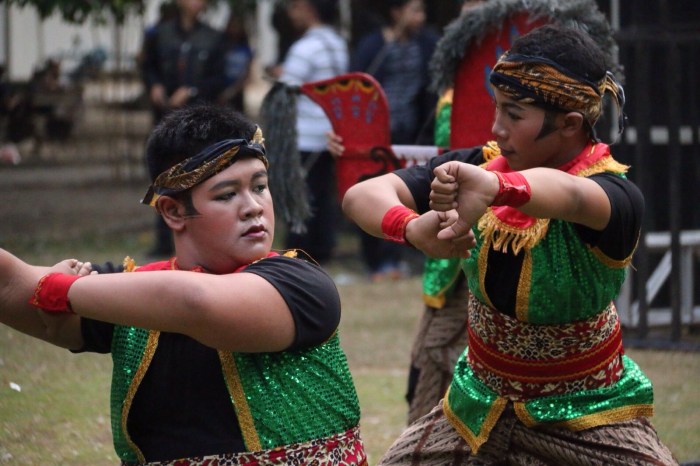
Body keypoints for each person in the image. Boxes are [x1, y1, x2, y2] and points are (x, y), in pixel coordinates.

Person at [343, 24, 678, 465]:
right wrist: (411, 228)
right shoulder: (475, 167)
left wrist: (498, 187)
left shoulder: (614, 196)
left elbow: (571, 195)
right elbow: (361, 196)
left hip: (589, 414)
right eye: (497, 108)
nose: (497, 127)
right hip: (476, 407)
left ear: (570, 123)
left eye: (515, 114)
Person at [0, 104, 367, 465]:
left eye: (260, 186)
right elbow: (9, 286)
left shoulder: (301, 283)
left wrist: (61, 291)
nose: (253, 206)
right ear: (173, 212)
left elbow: (194, 302)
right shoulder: (127, 294)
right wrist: (59, 291)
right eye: (227, 194)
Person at [350, 0, 439, 281]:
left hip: (411, 131)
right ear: (396, 12)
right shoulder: (373, 46)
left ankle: (402, 256)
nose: (421, 17)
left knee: (405, 193)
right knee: (373, 191)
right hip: (376, 134)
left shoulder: (427, 44)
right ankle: (377, 261)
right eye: (414, 11)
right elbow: (355, 85)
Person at [140, 0, 225, 258]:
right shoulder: (159, 33)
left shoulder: (213, 38)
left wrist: (191, 92)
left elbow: (219, 79)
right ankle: (164, 241)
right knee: (163, 177)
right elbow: (147, 66)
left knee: (196, 177)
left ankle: (198, 238)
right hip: (164, 119)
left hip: (197, 122)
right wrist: (154, 85)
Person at [267, 0, 348, 265]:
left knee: (300, 195)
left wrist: (278, 75)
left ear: (307, 7)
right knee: (322, 195)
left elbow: (286, 89)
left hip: (305, 134)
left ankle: (299, 251)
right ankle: (322, 249)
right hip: (329, 133)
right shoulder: (337, 42)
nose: (292, 13)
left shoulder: (305, 47)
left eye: (294, 7)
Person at [217, 12, 253, 114]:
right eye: (233, 25)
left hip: (237, 91)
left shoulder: (245, 48)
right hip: (221, 90)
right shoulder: (221, 46)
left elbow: (248, 72)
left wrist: (234, 90)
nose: (235, 29)